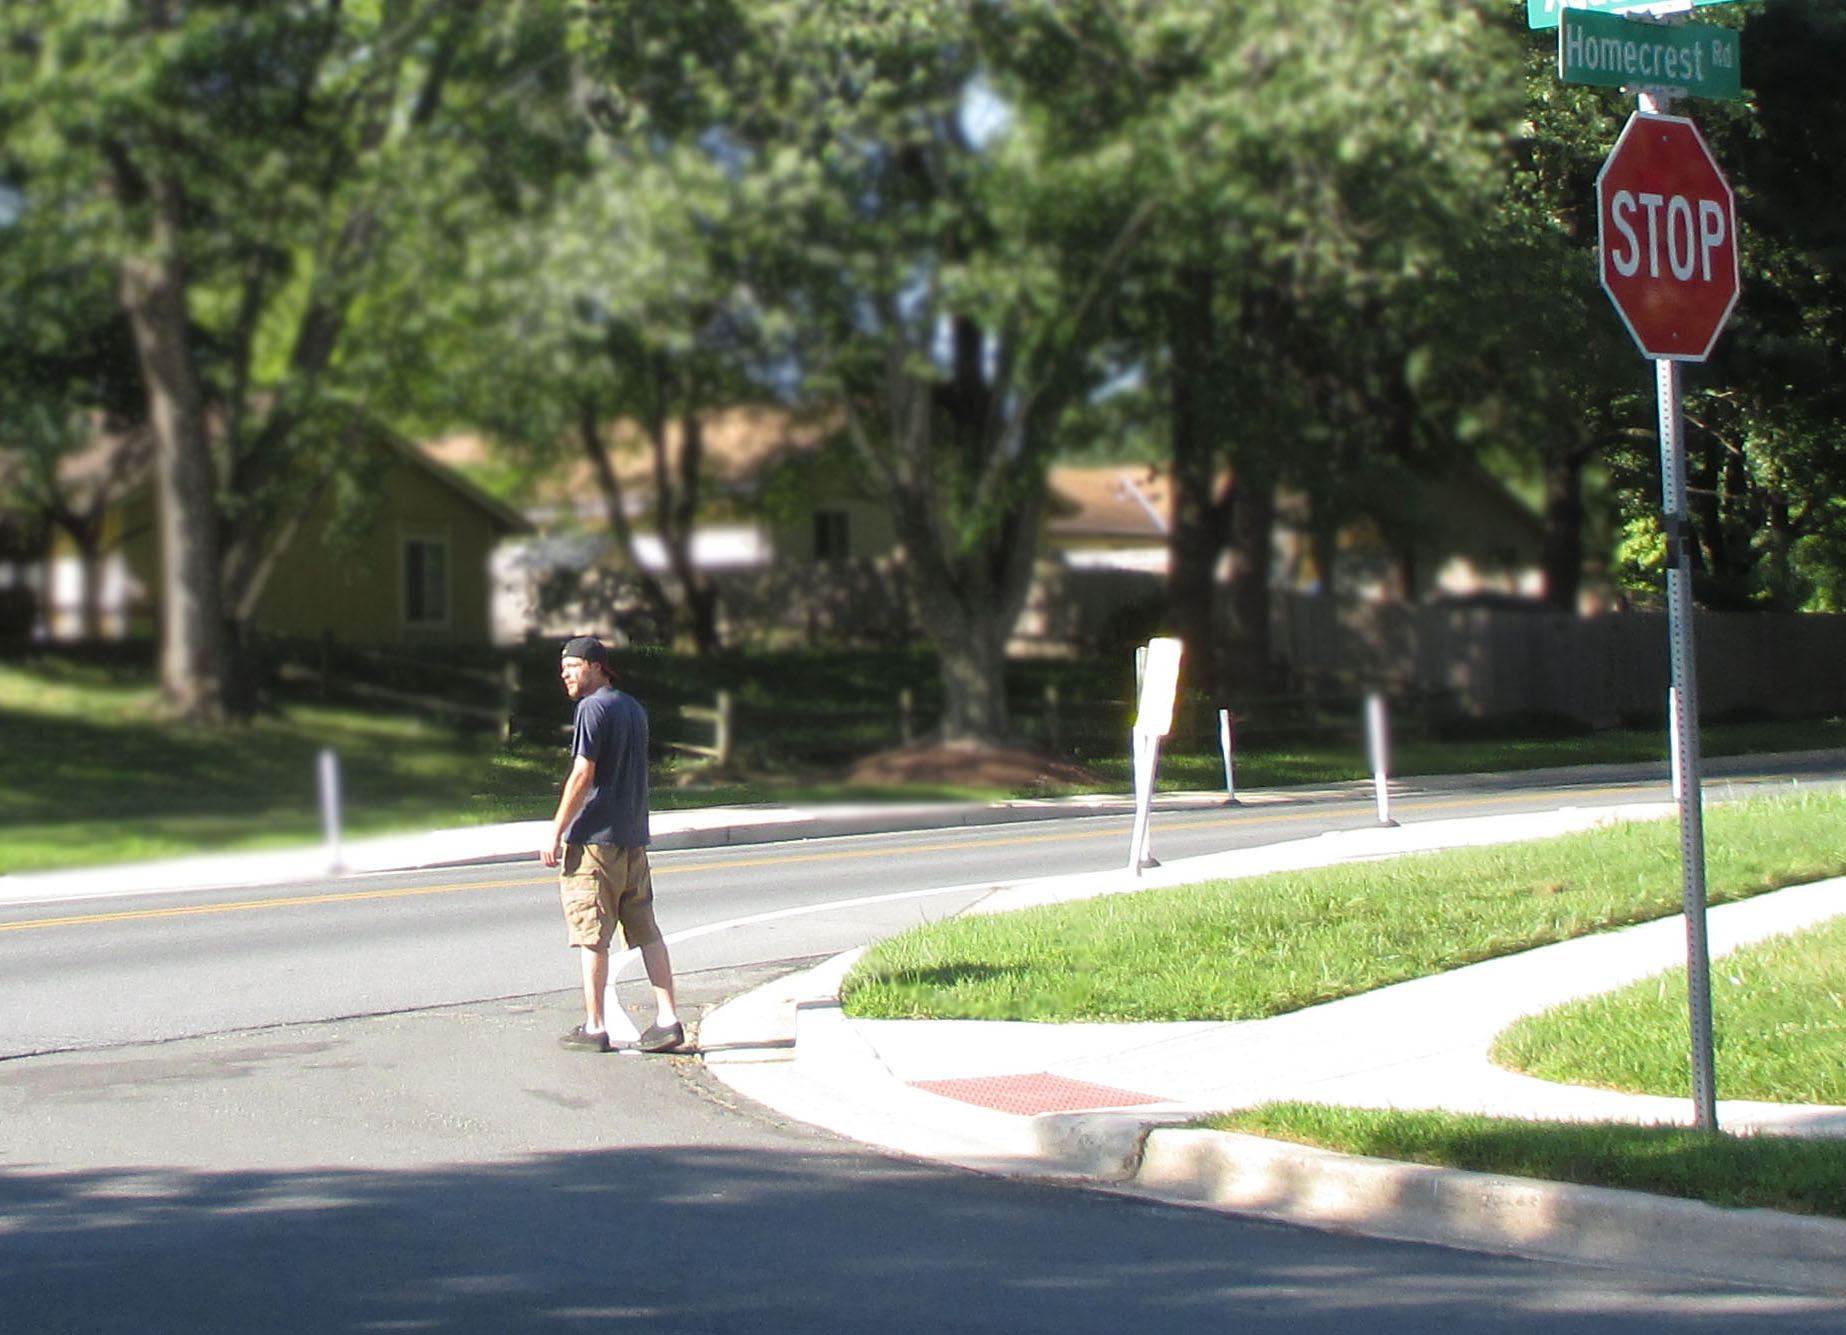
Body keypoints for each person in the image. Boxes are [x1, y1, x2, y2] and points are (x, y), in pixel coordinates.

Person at [541, 635, 683, 1054]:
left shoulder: (592, 708)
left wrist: (556, 829)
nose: (564, 673)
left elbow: (584, 773)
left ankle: (595, 1026)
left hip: (594, 843)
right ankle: (669, 1019)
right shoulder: (633, 708)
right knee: (646, 930)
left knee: (592, 935)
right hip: (632, 839)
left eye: (572, 665)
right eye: (563, 667)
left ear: (597, 667)